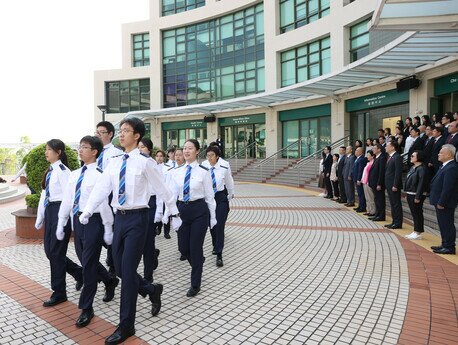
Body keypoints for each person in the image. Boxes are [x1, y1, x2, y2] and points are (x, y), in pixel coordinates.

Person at [79, 118, 181, 344]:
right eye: (121, 130)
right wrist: (87, 210)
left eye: (126, 131)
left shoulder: (146, 163)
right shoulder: (114, 161)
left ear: (137, 136)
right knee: (117, 266)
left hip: (138, 219)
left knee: (127, 269)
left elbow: (162, 189)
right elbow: (102, 188)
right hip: (119, 219)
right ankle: (151, 289)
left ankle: (126, 325)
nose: (121, 134)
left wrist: (173, 213)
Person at [57, 136, 119, 327]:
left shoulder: (101, 174)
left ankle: (86, 308)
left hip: (94, 221)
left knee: (89, 265)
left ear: (95, 151)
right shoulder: (75, 174)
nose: (80, 150)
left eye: (85, 147)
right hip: (78, 220)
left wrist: (108, 227)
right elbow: (68, 199)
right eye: (80, 146)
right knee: (85, 259)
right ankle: (109, 280)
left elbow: (105, 204)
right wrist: (62, 221)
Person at [35, 139, 83, 307]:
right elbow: (44, 196)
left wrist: (68, 221)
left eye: (49, 149)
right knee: (51, 252)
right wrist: (40, 217)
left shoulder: (64, 171)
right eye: (46, 149)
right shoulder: (50, 170)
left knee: (55, 253)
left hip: (60, 212)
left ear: (59, 152)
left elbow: (70, 197)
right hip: (50, 212)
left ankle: (59, 292)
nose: (46, 152)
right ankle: (79, 273)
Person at [166, 139, 216, 297]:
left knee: (195, 248)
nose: (186, 151)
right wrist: (171, 214)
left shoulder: (204, 171)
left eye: (190, 148)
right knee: (183, 248)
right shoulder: (177, 172)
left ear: (197, 151)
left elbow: (209, 196)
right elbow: (172, 195)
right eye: (184, 148)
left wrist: (213, 217)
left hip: (199, 210)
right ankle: (198, 263)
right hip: (183, 209)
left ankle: (195, 284)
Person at [95, 121, 124, 276]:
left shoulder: (116, 153)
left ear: (110, 134)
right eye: (96, 132)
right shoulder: (93, 153)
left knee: (111, 231)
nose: (98, 135)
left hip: (110, 196)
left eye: (102, 132)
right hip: (95, 198)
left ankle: (113, 268)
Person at [202, 145, 234, 267]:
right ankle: (215, 244)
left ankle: (219, 253)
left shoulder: (224, 165)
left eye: (212, 156)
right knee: (212, 225)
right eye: (208, 155)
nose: (209, 158)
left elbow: (229, 180)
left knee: (219, 224)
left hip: (220, 197)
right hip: (208, 198)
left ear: (217, 156)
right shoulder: (204, 165)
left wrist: (231, 194)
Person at [138, 138, 163, 282]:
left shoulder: (153, 165)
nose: (140, 149)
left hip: (151, 204)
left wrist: (159, 211)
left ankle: (148, 275)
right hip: (138, 205)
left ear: (149, 150)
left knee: (147, 241)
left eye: (143, 147)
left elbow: (160, 191)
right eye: (139, 147)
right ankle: (153, 255)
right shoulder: (132, 163)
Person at [429, 145, 458, 255]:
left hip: (445, 203)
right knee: (442, 224)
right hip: (440, 201)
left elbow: (448, 187)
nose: (438, 154)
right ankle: (444, 243)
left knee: (447, 224)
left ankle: (449, 247)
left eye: (441, 152)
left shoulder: (452, 167)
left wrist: (442, 201)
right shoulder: (444, 166)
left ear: (449, 154)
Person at [404, 151, 428, 240]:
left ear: (419, 157)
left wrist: (418, 196)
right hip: (410, 193)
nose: (411, 157)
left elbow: (421, 183)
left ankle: (418, 232)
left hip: (416, 194)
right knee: (414, 213)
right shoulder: (413, 167)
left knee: (417, 213)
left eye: (413, 156)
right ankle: (415, 231)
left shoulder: (422, 169)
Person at [384, 141, 403, 229]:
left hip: (393, 185)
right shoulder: (390, 157)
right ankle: (394, 221)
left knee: (396, 204)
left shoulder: (397, 157)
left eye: (387, 146)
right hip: (389, 184)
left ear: (392, 147)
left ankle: (398, 223)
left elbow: (398, 173)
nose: (385, 147)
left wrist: (395, 184)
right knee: (392, 203)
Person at [368, 144, 386, 221]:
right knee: (376, 199)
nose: (373, 150)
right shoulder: (376, 157)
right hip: (373, 182)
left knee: (380, 200)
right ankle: (377, 214)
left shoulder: (382, 158)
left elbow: (381, 172)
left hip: (378, 183)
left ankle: (381, 216)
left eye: (374, 148)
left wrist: (379, 183)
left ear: (379, 149)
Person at [352, 147, 367, 213]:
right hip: (355, 178)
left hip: (359, 179)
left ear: (361, 152)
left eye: (357, 151)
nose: (355, 152)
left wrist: (359, 179)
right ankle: (360, 206)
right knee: (359, 194)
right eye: (355, 150)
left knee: (361, 194)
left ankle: (362, 207)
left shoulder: (362, 159)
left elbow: (361, 170)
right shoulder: (357, 158)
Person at [361, 150, 376, 217]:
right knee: (367, 197)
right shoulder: (368, 163)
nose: (367, 156)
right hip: (365, 182)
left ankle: (373, 211)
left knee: (371, 197)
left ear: (372, 156)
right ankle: (368, 210)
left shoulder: (373, 163)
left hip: (368, 182)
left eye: (368, 155)